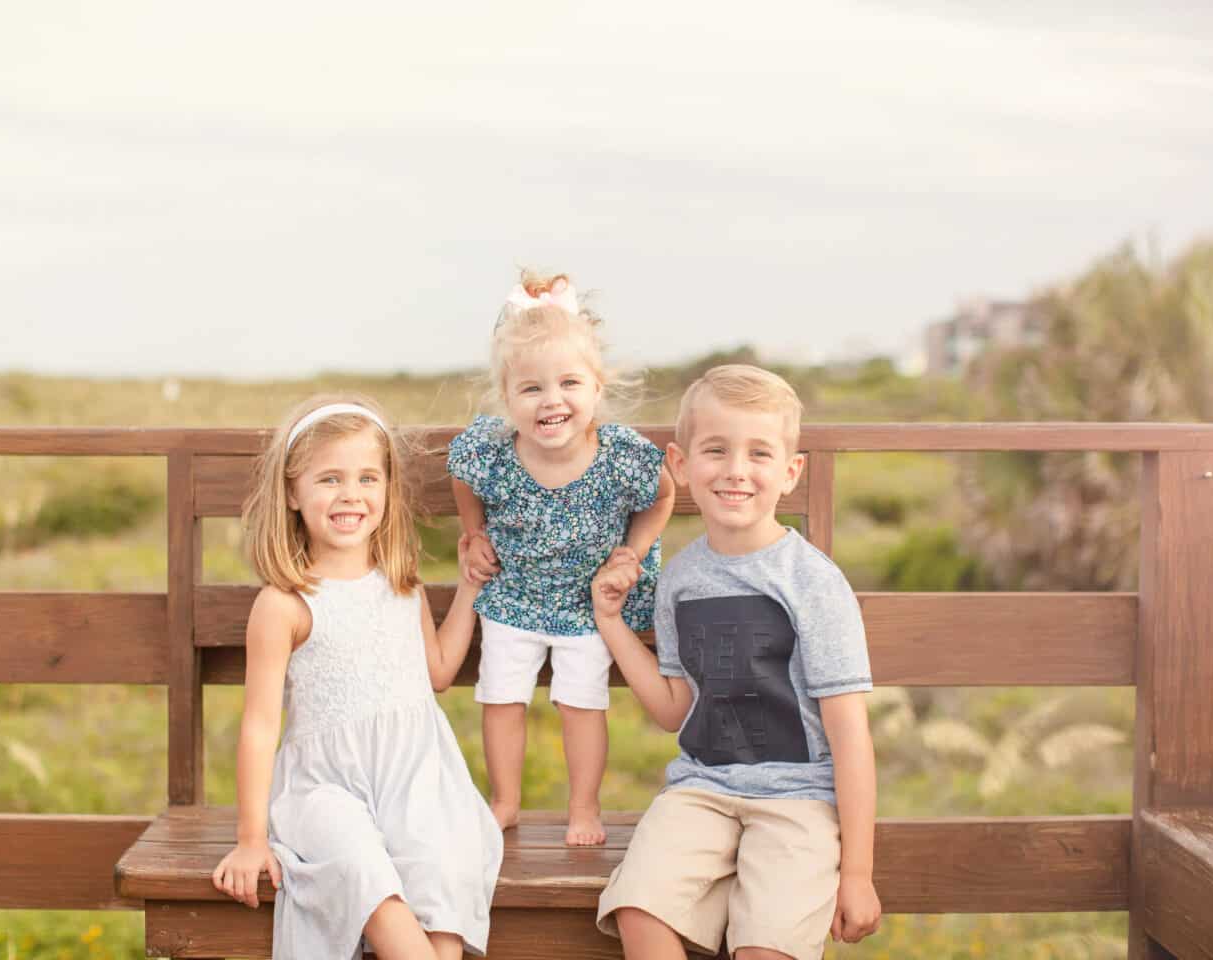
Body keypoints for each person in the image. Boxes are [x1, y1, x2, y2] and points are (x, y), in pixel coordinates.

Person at [592, 365, 881, 959]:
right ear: (680, 462)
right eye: (716, 450)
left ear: (790, 471)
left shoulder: (812, 583)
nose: (736, 471)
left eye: (759, 453)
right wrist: (612, 624)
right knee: (637, 909)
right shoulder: (680, 579)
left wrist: (856, 873)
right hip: (702, 791)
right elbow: (675, 710)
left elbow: (850, 735)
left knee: (764, 948)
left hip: (798, 801)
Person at [212, 397, 502, 960]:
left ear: (388, 490)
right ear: (293, 494)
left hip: (416, 779)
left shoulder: (403, 585)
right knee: (361, 870)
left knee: (442, 866)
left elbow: (438, 672)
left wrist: (468, 588)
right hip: (325, 788)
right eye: (329, 479)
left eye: (368, 477)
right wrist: (251, 840)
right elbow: (258, 726)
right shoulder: (286, 604)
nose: (351, 494)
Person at [447, 270, 675, 846]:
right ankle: (503, 801)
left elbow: (664, 494)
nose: (552, 401)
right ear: (507, 398)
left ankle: (584, 808)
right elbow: (461, 480)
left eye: (569, 383)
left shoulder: (621, 457)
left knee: (581, 702)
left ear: (597, 388)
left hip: (586, 602)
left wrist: (634, 551)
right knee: (500, 696)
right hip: (513, 593)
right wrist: (474, 533)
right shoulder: (492, 452)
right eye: (531, 389)